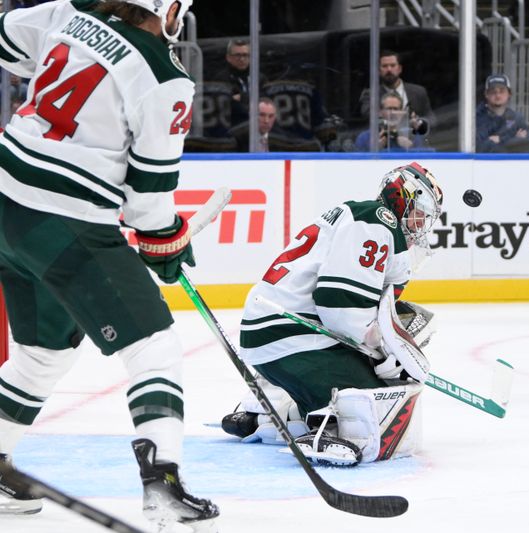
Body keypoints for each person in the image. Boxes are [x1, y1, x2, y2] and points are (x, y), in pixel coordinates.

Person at [0, 1, 219, 529]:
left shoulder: (68, 12)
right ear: (167, 11)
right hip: (64, 217)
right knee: (155, 345)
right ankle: (162, 484)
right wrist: (167, 240)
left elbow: (8, 40)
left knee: (41, 354)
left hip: (7, 199)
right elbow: (147, 200)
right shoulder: (166, 77)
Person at [221, 163, 443, 466]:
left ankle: (266, 413)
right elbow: (339, 304)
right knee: (378, 401)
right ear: (403, 196)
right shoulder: (378, 221)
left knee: (368, 377)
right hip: (294, 338)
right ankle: (328, 426)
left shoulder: (362, 217)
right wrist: (381, 351)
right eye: (421, 210)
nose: (421, 222)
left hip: (271, 335)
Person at [358, 50, 435, 130]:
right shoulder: (371, 94)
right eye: (384, 66)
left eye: (393, 65)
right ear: (379, 71)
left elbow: (431, 118)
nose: (389, 70)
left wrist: (419, 123)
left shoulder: (419, 92)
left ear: (400, 69)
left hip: (414, 139)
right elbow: (368, 115)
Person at [210, 38, 267, 128]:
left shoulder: (259, 78)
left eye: (245, 55)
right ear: (228, 58)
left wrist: (242, 97)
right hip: (231, 126)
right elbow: (222, 104)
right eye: (237, 55)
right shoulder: (221, 79)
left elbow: (266, 101)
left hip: (257, 125)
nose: (242, 59)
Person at [476, 73, 529, 153]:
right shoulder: (477, 118)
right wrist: (514, 139)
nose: (498, 95)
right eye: (493, 92)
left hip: (512, 165)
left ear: (509, 94)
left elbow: (528, 146)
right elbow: (478, 148)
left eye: (502, 91)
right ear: (486, 94)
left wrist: (500, 139)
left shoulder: (517, 118)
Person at [354, 92, 429, 151]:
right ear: (380, 112)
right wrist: (374, 149)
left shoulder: (413, 137)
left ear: (402, 112)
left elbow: (423, 161)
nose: (392, 113)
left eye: (396, 109)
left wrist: (411, 148)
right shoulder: (365, 137)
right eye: (389, 109)